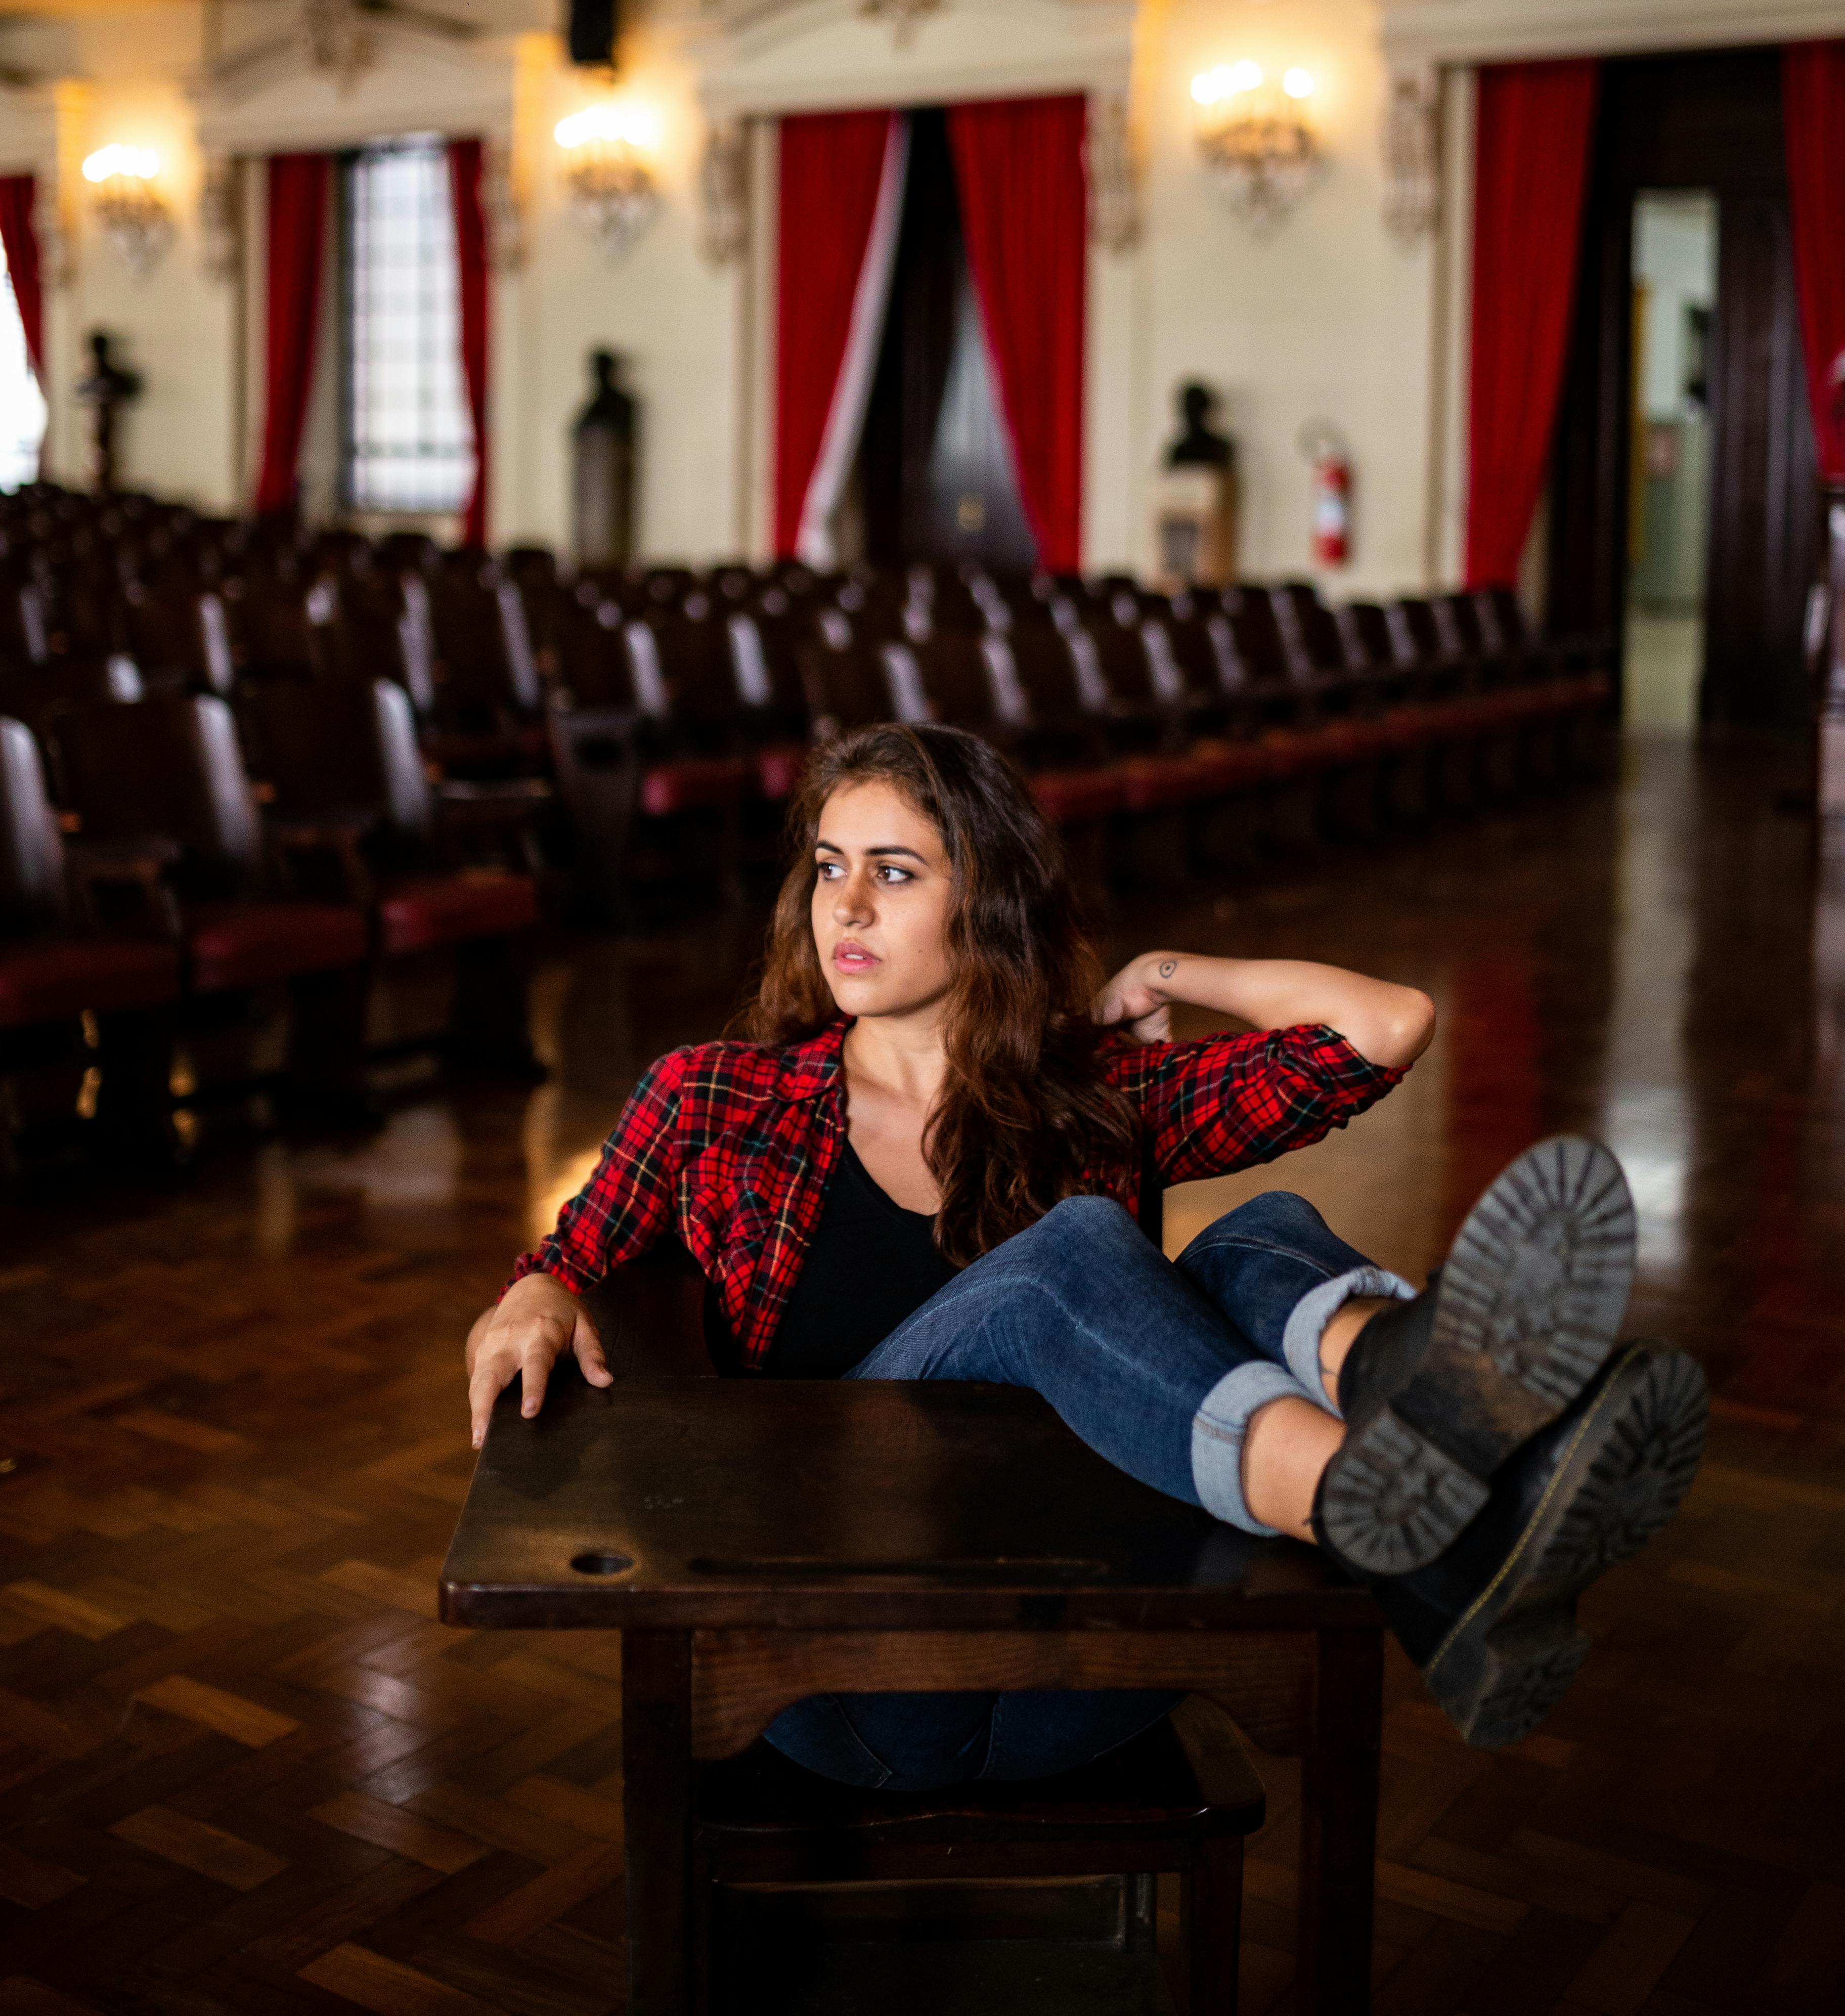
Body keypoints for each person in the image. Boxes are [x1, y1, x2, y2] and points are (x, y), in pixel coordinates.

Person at [465, 723, 1706, 1782]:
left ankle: (1412, 1394)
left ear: (987, 900)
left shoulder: (1094, 1093)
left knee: (1259, 1236)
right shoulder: (714, 1097)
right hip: (853, 1664)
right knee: (1070, 1256)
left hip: (1093, 1648)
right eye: (830, 867)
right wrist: (534, 1287)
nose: (844, 905)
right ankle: (1431, 1523)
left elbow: (1386, 1028)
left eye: (894, 872)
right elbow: (574, 1246)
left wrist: (1171, 969)